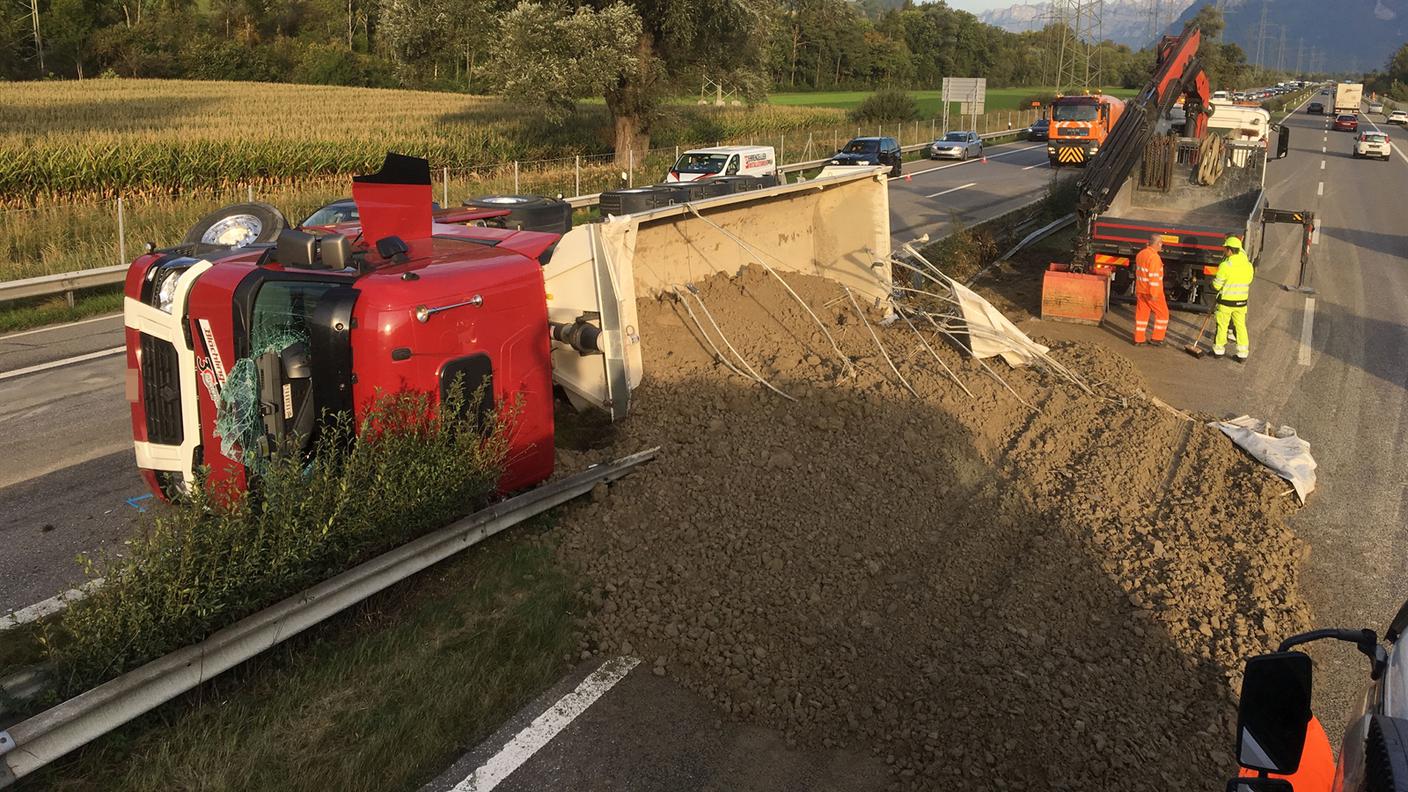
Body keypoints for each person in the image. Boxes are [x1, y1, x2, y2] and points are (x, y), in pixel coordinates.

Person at [1212, 235, 1255, 362]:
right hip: (1241, 302)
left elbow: (1216, 285)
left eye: (1225, 249)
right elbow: (1249, 280)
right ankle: (1242, 353)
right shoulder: (1248, 265)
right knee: (1240, 326)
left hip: (1226, 302)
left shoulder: (1225, 265)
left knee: (1222, 325)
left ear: (1230, 250)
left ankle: (1218, 350)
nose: (1224, 251)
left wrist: (1213, 284)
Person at [1132, 234, 1169, 346]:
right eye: (1161, 243)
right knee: (1163, 314)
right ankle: (1157, 338)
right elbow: (1153, 277)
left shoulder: (1141, 254)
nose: (1162, 245)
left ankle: (1139, 339)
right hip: (1152, 292)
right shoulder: (1154, 258)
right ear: (1158, 244)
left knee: (1142, 314)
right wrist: (1154, 293)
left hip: (1141, 289)